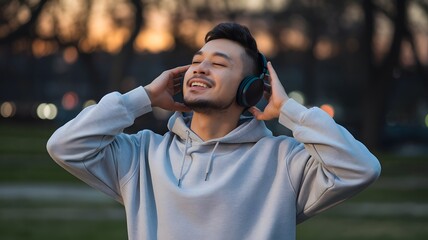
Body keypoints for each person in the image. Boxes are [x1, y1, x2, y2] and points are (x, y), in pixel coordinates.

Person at [47, 22, 381, 240]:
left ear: (250, 89)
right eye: (197, 60)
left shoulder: (285, 163)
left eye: (219, 64)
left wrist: (289, 111)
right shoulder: (142, 155)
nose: (201, 68)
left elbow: (361, 168)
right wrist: (143, 98)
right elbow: (64, 146)